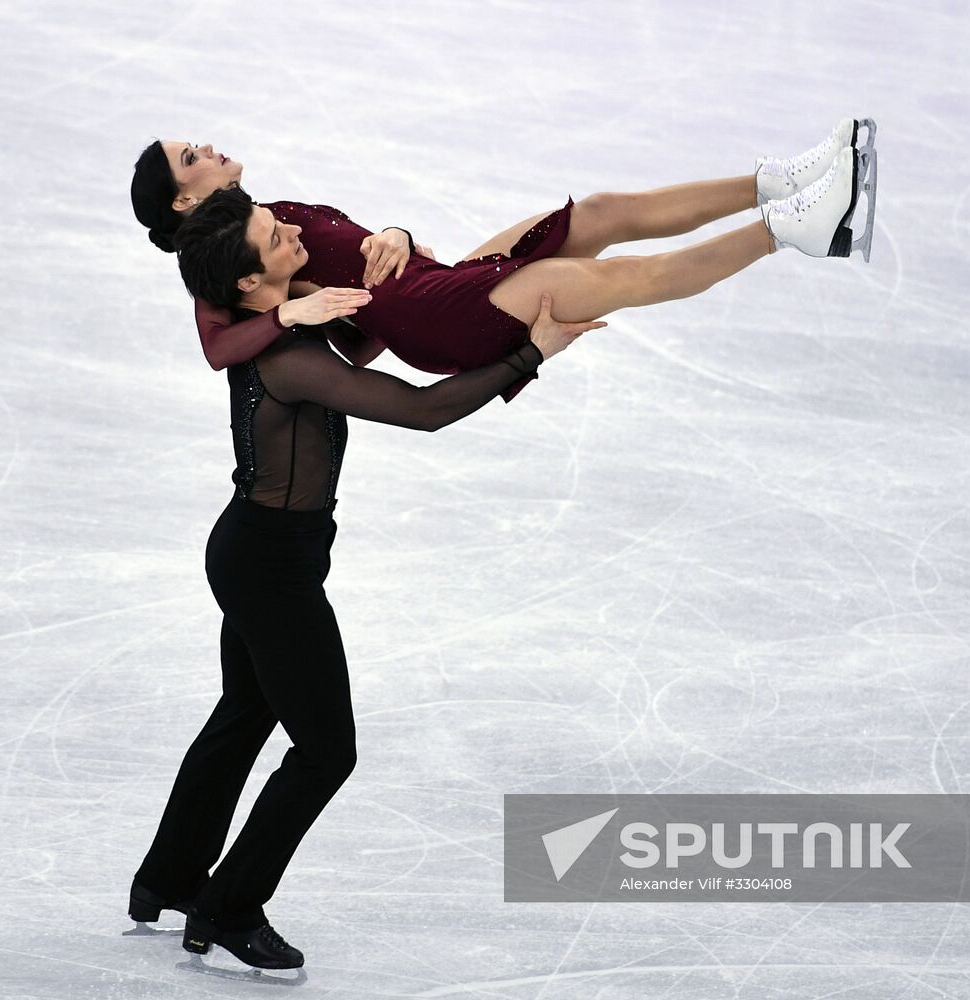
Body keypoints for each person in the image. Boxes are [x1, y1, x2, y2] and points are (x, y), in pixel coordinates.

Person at [128, 186, 605, 972]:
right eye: (272, 233)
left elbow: (372, 329)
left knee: (246, 712)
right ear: (252, 284)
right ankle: (229, 906)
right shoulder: (285, 354)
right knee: (326, 751)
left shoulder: (287, 326)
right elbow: (423, 412)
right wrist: (531, 354)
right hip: (270, 567)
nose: (290, 229)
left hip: (257, 548)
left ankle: (167, 879)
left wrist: (399, 239)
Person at [129, 119, 878, 394]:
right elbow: (220, 349)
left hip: (423, 285)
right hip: (432, 318)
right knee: (608, 280)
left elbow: (355, 314)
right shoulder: (215, 275)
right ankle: (798, 229)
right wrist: (298, 310)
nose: (208, 146)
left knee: (604, 213)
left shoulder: (271, 214)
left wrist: (393, 232)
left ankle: (791, 181)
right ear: (182, 203)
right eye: (191, 156)